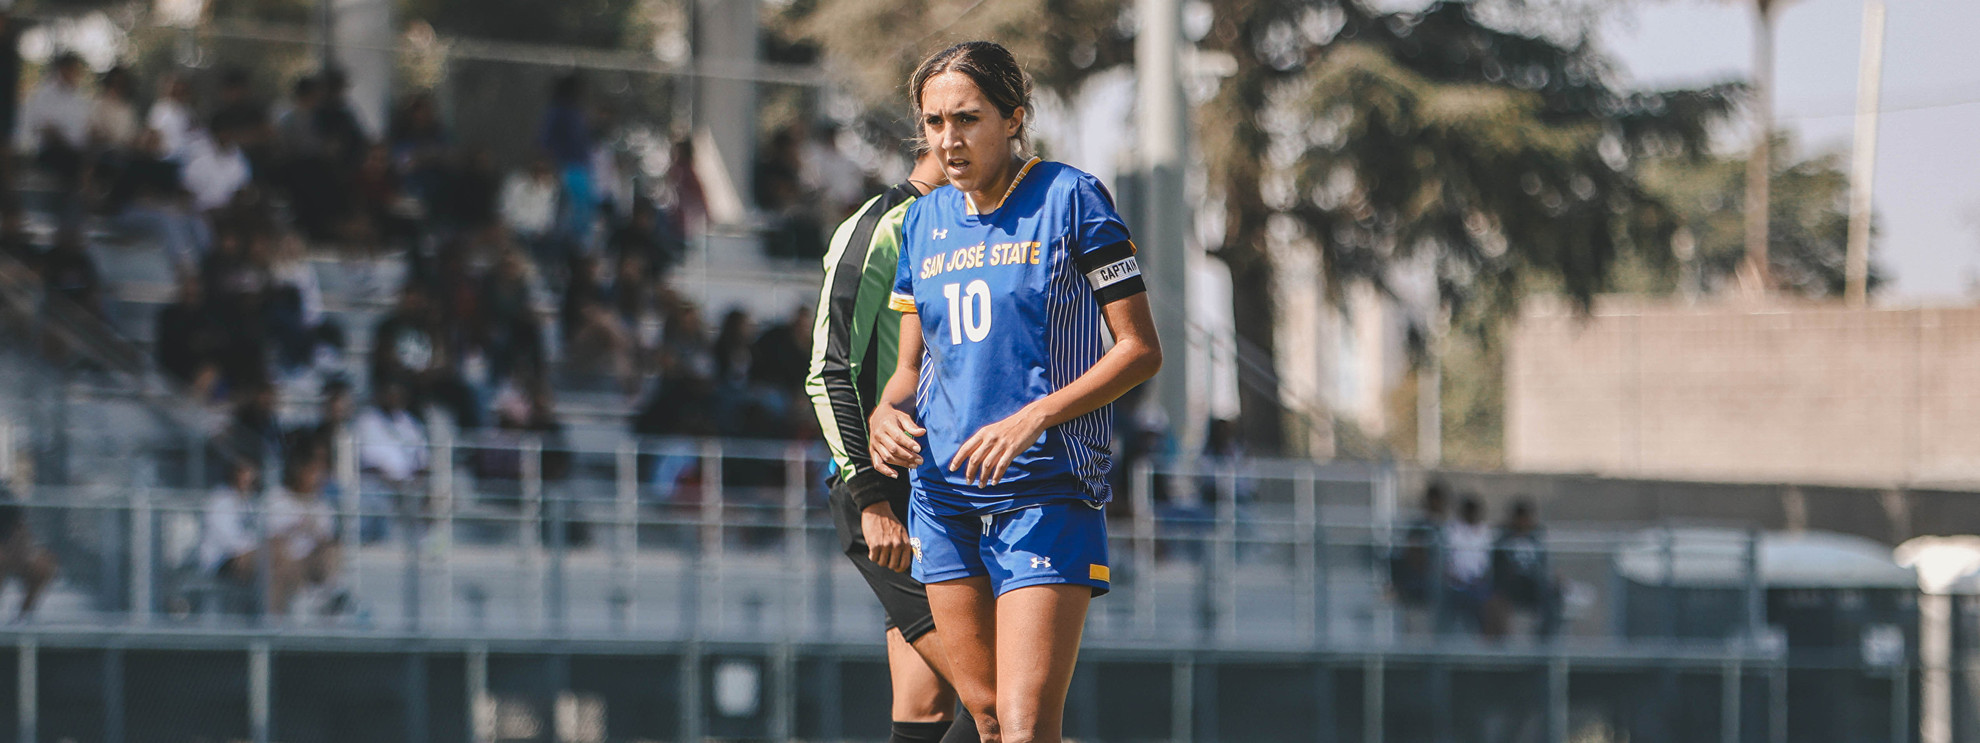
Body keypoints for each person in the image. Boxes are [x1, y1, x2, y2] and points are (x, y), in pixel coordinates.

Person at [867, 41, 1162, 743]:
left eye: (967, 118)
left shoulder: (1071, 197)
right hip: (943, 499)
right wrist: (885, 409)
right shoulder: (922, 222)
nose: (949, 139)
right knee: (992, 719)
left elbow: (1141, 350)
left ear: (1014, 118)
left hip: (1045, 492)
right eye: (934, 123)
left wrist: (1037, 415)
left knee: (1029, 726)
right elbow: (910, 369)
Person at [806, 146, 977, 743]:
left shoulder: (970, 231)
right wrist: (871, 498)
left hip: (948, 492)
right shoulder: (879, 225)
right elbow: (827, 371)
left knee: (925, 711)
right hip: (888, 497)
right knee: (1005, 709)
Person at [1491, 499, 1563, 639]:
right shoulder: (1503, 538)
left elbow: (1544, 563)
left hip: (1534, 584)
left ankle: (1545, 638)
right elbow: (1497, 566)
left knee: (1553, 593)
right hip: (1511, 584)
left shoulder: (1536, 538)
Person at [0, 489, 58, 621]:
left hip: (11, 548)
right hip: (5, 552)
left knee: (42, 567)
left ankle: (23, 620)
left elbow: (19, 529)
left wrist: (21, 551)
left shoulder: (6, 496)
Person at [1442, 496, 1495, 635]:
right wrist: (1454, 577)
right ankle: (1446, 638)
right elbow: (1445, 561)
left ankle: (1484, 639)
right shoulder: (1452, 531)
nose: (1471, 515)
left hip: (1478, 583)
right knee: (1454, 598)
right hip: (1455, 583)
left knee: (1487, 599)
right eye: (1468, 511)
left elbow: (1489, 562)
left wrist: (1481, 578)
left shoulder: (1486, 532)